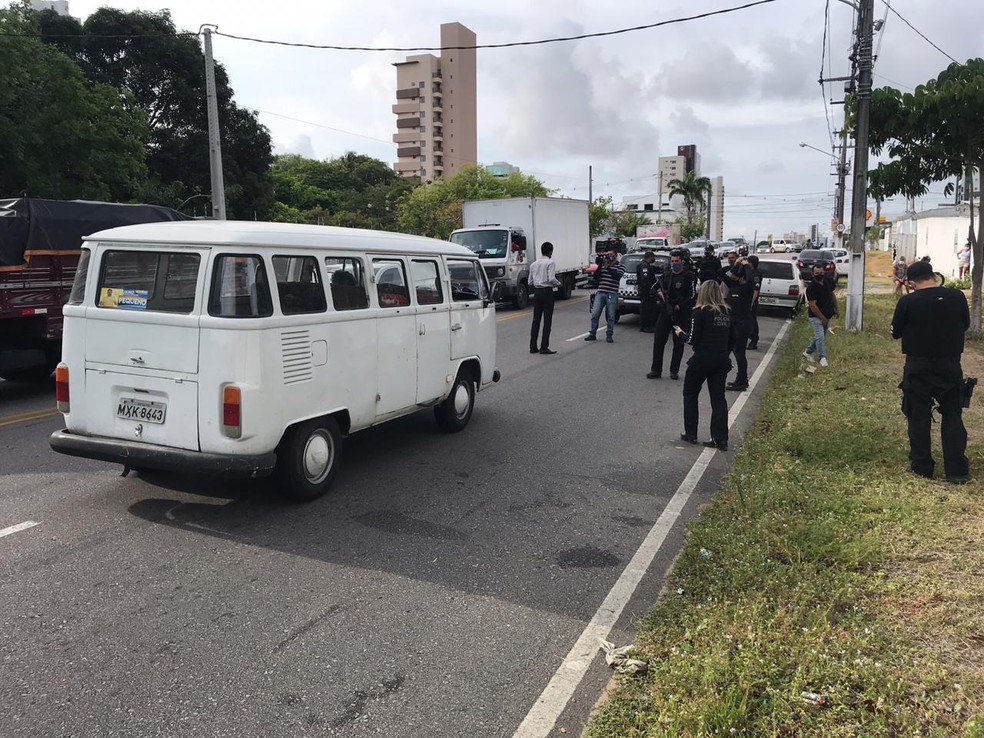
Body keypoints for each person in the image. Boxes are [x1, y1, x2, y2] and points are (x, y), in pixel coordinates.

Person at [891, 259, 970, 483]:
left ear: (912, 282)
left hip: (918, 366)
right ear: (933, 276)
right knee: (953, 415)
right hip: (950, 364)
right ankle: (956, 471)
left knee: (918, 416)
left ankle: (922, 466)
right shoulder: (957, 297)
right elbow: (964, 324)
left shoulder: (908, 301)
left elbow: (895, 332)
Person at [677, 280, 733, 450]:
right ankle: (720, 438)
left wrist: (681, 334)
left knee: (690, 394)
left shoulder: (699, 312)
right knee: (718, 399)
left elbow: (692, 338)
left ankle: (691, 433)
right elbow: (732, 339)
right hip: (721, 359)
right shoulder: (726, 312)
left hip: (701, 359)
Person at [648, 249, 696, 379]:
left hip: (680, 315)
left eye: (677, 261)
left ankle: (674, 370)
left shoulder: (689, 276)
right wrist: (660, 296)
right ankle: (656, 370)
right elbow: (652, 289)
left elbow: (691, 295)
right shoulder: (666, 276)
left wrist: (680, 306)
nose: (675, 263)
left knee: (678, 343)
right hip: (665, 313)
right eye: (673, 261)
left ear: (682, 261)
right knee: (658, 341)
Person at [722, 253, 755, 390]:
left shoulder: (746, 288)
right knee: (731, 351)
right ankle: (739, 379)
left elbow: (751, 279)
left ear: (741, 276)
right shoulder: (733, 285)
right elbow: (721, 273)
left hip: (742, 323)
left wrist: (746, 266)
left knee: (739, 352)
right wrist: (735, 264)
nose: (733, 276)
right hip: (733, 322)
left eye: (736, 274)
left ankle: (742, 381)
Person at [585, 245, 625, 343]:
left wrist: (608, 268)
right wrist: (600, 266)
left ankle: (609, 335)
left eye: (611, 255)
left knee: (611, 316)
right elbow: (596, 277)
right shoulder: (603, 265)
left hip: (612, 293)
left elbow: (617, 276)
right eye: (608, 255)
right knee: (595, 313)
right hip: (601, 292)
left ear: (616, 256)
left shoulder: (620, 266)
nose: (609, 256)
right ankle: (592, 333)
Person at [529, 241, 561, 355]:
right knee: (547, 320)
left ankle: (533, 346)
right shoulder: (550, 262)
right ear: (550, 251)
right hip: (547, 292)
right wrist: (558, 283)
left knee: (536, 319)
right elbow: (551, 278)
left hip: (537, 292)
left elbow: (530, 281)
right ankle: (544, 346)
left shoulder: (534, 264)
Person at [803, 263, 837, 367]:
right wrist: (822, 318)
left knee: (822, 336)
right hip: (815, 316)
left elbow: (832, 295)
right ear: (813, 274)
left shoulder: (828, 282)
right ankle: (822, 357)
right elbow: (812, 305)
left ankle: (808, 352)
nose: (819, 274)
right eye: (817, 273)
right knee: (820, 336)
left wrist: (836, 308)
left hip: (827, 314)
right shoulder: (811, 288)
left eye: (821, 272)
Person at [636, 250, 660, 332]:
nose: (654, 259)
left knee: (647, 308)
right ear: (649, 258)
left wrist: (660, 268)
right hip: (646, 292)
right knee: (647, 309)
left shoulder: (645, 265)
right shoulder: (644, 267)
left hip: (644, 291)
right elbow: (645, 280)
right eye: (653, 258)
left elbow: (653, 269)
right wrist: (650, 290)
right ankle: (645, 326)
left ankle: (646, 325)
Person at [746, 254, 762, 350]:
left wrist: (751, 302)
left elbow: (756, 289)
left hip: (752, 301)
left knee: (752, 320)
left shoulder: (756, 274)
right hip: (746, 299)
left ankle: (754, 340)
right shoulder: (749, 272)